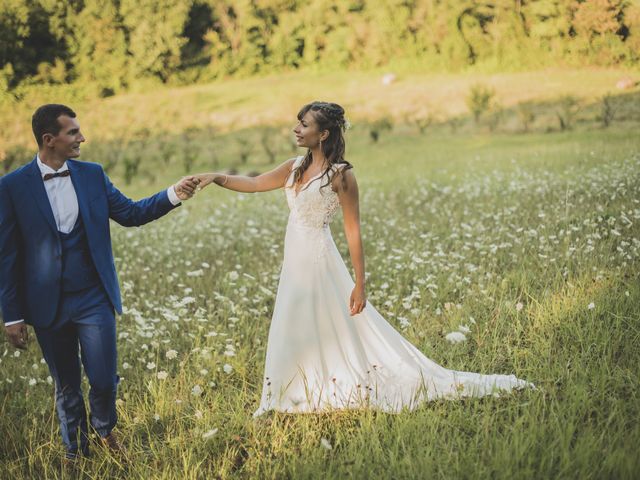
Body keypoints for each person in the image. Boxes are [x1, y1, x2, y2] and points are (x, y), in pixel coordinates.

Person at [194, 101, 533, 415]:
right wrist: (216, 178)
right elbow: (253, 183)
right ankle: (286, 394)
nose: (296, 129)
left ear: (323, 134)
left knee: (328, 323)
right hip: (294, 263)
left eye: (304, 125)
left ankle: (330, 387)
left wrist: (360, 283)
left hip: (318, 260)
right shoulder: (294, 167)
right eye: (297, 123)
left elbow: (353, 231)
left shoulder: (341, 175)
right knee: (291, 322)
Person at [0, 104, 200, 459]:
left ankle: (106, 430)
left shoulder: (92, 174)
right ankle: (75, 450)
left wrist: (174, 194)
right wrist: (11, 314)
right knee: (67, 386)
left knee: (105, 379)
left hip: (93, 297)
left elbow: (132, 213)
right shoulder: (12, 186)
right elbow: (8, 255)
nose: (82, 138)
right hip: (48, 305)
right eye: (73, 132)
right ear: (50, 139)